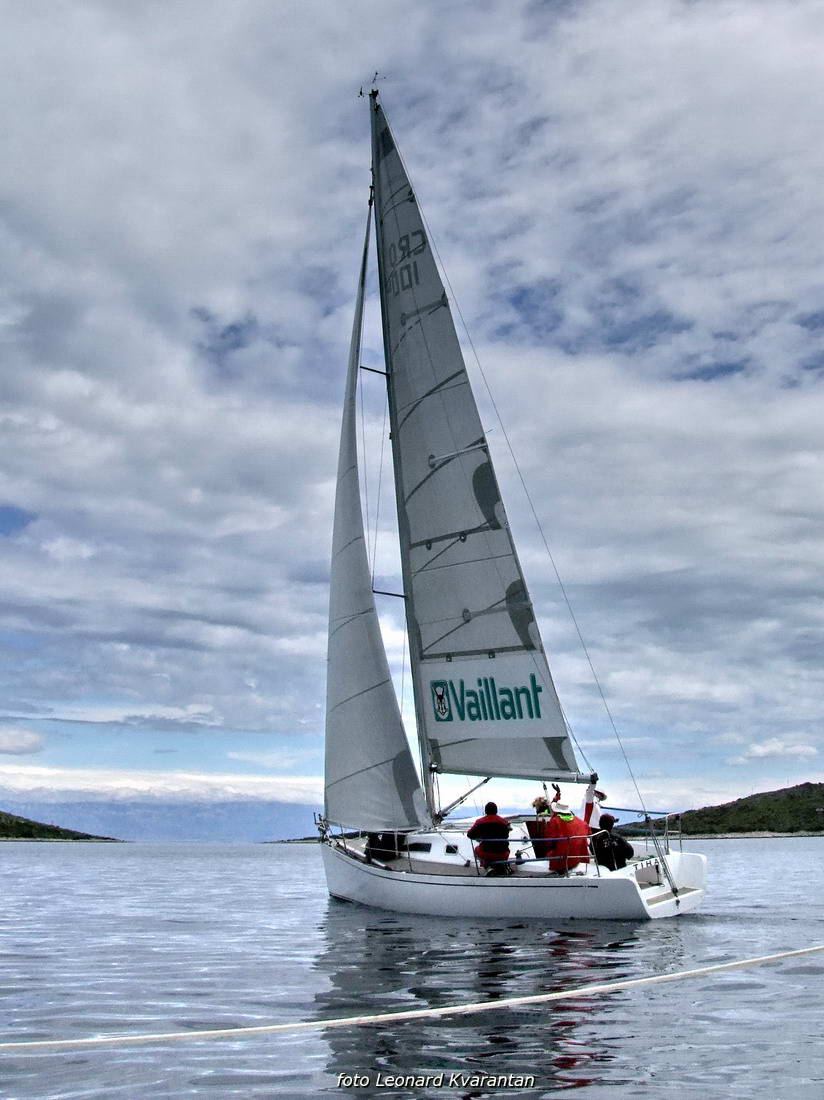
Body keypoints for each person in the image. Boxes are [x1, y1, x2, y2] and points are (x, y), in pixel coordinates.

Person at [544, 801, 591, 874]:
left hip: (562, 862)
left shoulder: (554, 822)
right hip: (579, 858)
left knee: (548, 854)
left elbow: (548, 842)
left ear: (556, 811)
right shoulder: (582, 823)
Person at [467, 801, 511, 875]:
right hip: (503, 853)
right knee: (500, 849)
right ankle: (501, 865)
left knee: (476, 850)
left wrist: (479, 837)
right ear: (496, 811)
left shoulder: (480, 822)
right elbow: (506, 835)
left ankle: (488, 867)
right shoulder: (504, 822)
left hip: (486, 853)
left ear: (485, 811)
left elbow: (470, 834)